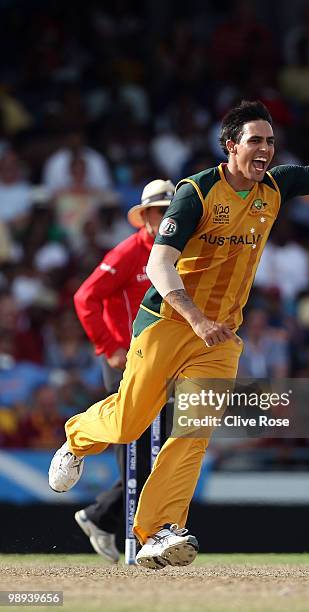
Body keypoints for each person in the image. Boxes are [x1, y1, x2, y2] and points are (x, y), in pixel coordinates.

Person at [49, 56, 309, 570]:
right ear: (230, 146)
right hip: (167, 322)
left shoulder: (274, 188)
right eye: (256, 141)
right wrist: (195, 317)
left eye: (271, 142)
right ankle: (78, 438)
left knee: (192, 431)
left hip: (220, 337)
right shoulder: (194, 193)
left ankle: (157, 530)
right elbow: (160, 268)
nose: (266, 151)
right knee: (130, 420)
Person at [72, 179, 174, 562]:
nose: (166, 218)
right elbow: (85, 297)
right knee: (135, 451)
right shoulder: (131, 251)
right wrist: (109, 347)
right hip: (126, 361)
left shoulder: (178, 251)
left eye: (171, 210)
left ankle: (101, 517)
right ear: (144, 216)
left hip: (163, 360)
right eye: (159, 211)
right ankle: (128, 532)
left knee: (159, 451)